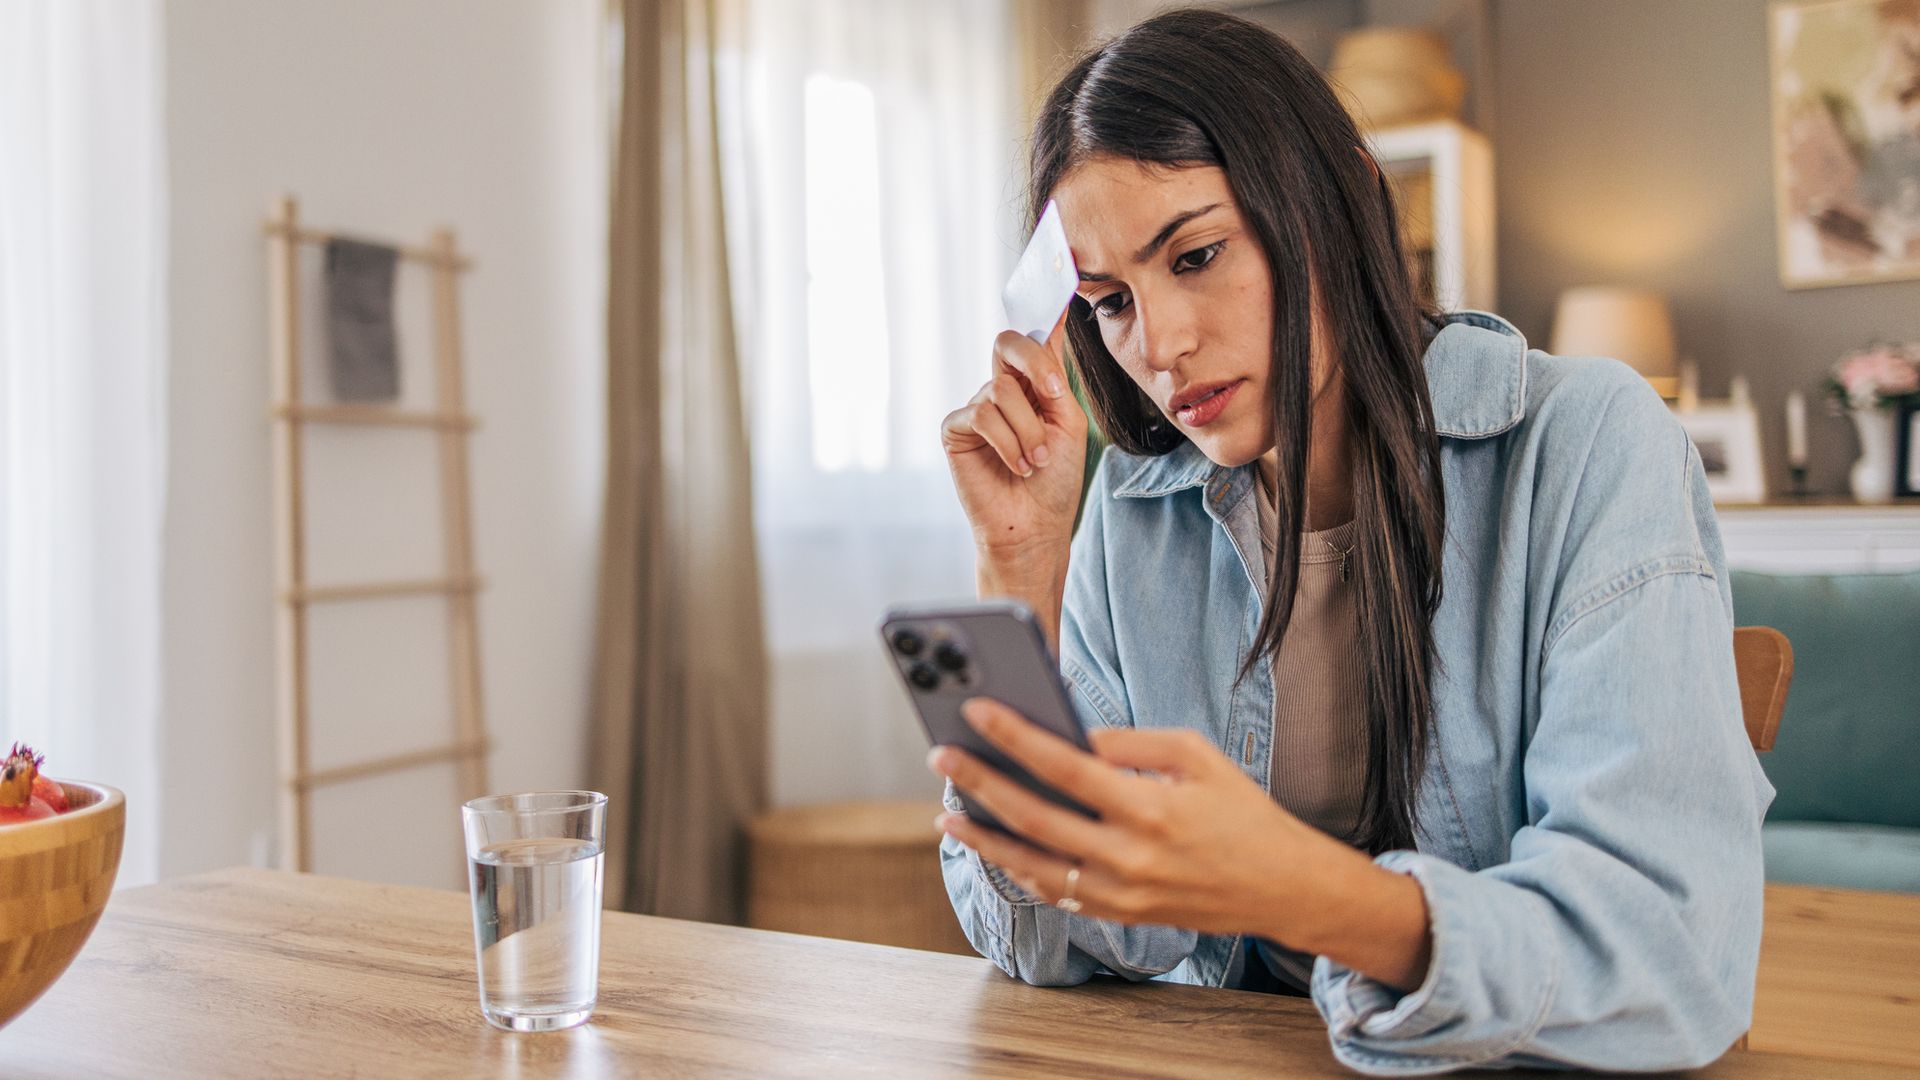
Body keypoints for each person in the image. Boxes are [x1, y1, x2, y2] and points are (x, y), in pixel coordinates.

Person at [930, 9, 1772, 1075]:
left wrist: (1303, 892)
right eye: (1108, 303)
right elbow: (1056, 943)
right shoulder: (1130, 515)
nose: (1160, 344)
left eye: (1196, 254)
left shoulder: (1589, 444)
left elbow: (1670, 957)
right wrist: (1020, 574)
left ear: (1344, 201)